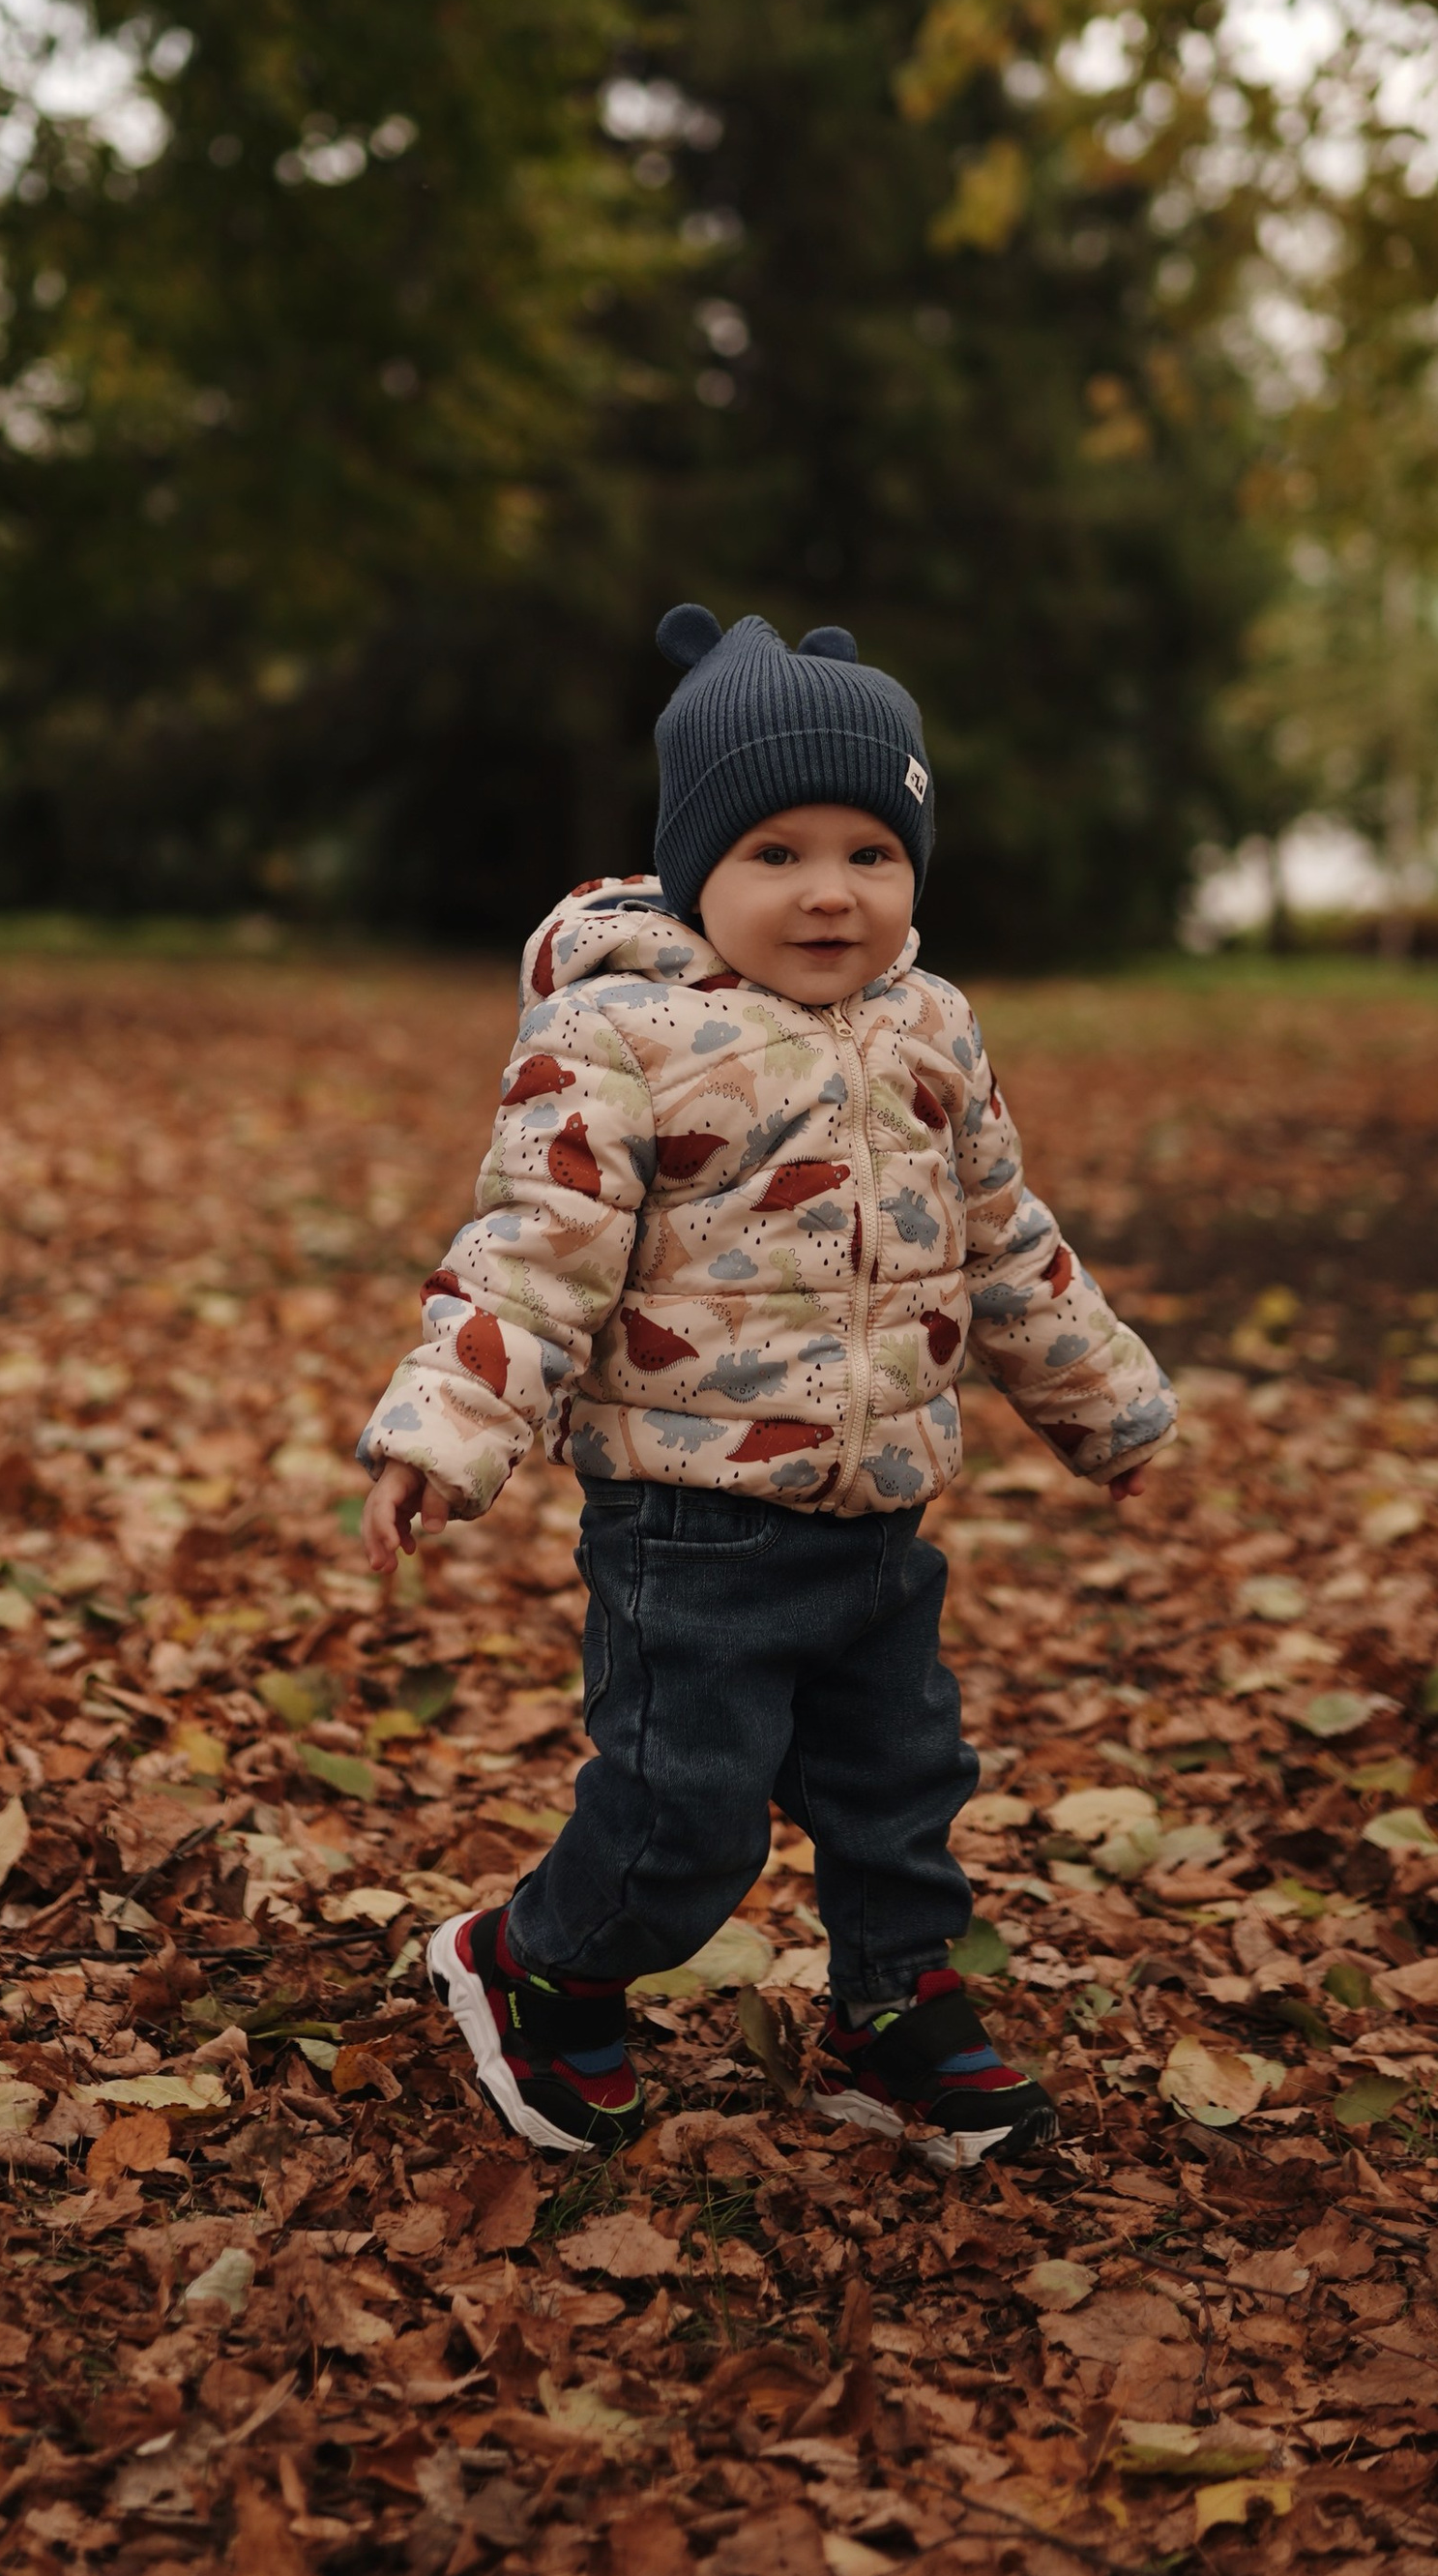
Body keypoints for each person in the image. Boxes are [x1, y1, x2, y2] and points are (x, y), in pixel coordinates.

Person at [357, 606, 1177, 2165]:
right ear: (694, 868)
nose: (828, 891)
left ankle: (894, 2014)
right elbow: (536, 1252)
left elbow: (1004, 1241)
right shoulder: (622, 1035)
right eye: (778, 852)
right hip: (690, 1523)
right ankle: (537, 1968)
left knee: (901, 1787)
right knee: (689, 1816)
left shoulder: (932, 1031)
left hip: (878, 1508)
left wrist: (1103, 1405)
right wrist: (444, 1432)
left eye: (871, 851)